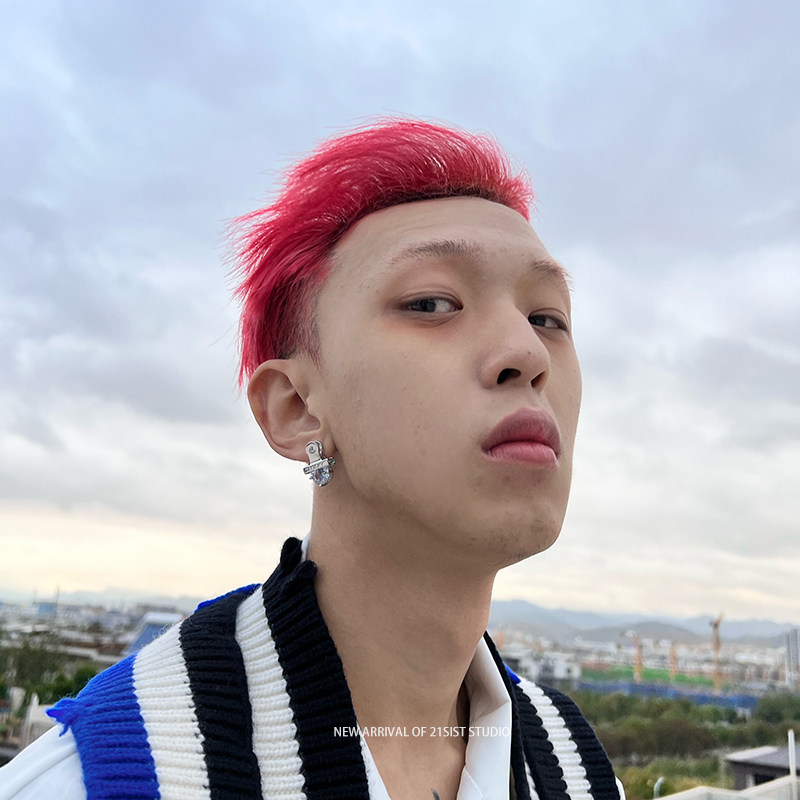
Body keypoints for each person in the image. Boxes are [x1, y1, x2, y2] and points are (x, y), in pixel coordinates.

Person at [0, 118, 622, 800]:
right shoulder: (113, 773)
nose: (527, 354)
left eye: (547, 318)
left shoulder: (577, 769)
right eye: (431, 303)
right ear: (295, 407)